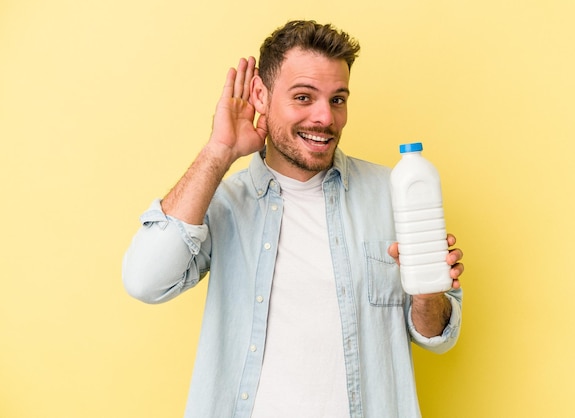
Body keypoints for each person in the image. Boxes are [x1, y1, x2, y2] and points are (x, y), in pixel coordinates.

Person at [123, 20, 464, 418]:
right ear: (261, 96)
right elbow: (144, 281)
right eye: (304, 97)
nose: (325, 117)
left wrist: (428, 293)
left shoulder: (394, 192)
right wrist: (218, 151)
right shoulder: (224, 203)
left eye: (338, 99)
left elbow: (438, 336)